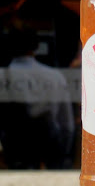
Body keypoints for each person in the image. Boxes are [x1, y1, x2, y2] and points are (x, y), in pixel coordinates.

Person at [0, 28, 74, 169]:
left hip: (15, 153)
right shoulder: (55, 76)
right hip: (49, 153)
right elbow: (66, 125)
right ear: (36, 46)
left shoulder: (2, 77)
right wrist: (63, 155)